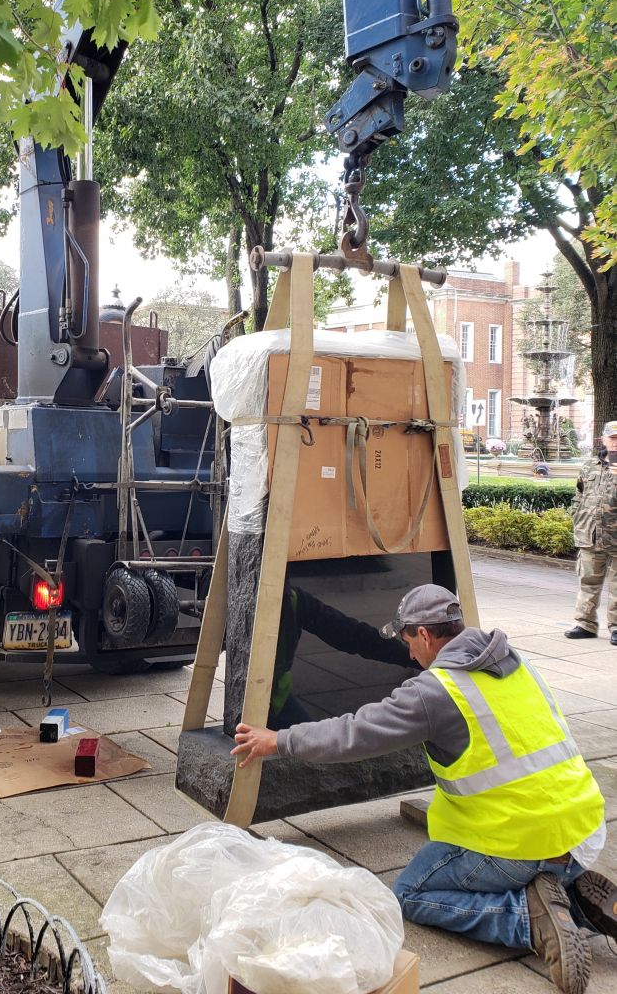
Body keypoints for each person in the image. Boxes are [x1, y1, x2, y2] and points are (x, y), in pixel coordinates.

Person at [232, 583, 617, 994]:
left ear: (426, 635)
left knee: (412, 894)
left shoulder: (436, 692)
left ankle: (529, 918)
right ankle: (570, 889)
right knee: (526, 857)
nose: (409, 653)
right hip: (583, 833)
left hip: (520, 844)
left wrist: (278, 740)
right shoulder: (516, 663)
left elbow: (354, 733)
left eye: (408, 641)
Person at [565, 421, 617, 645]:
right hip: (590, 534)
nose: (615, 442)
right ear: (603, 440)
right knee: (588, 581)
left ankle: (616, 628)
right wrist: (577, 515)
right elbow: (579, 493)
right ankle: (584, 624)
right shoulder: (589, 466)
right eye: (612, 438)